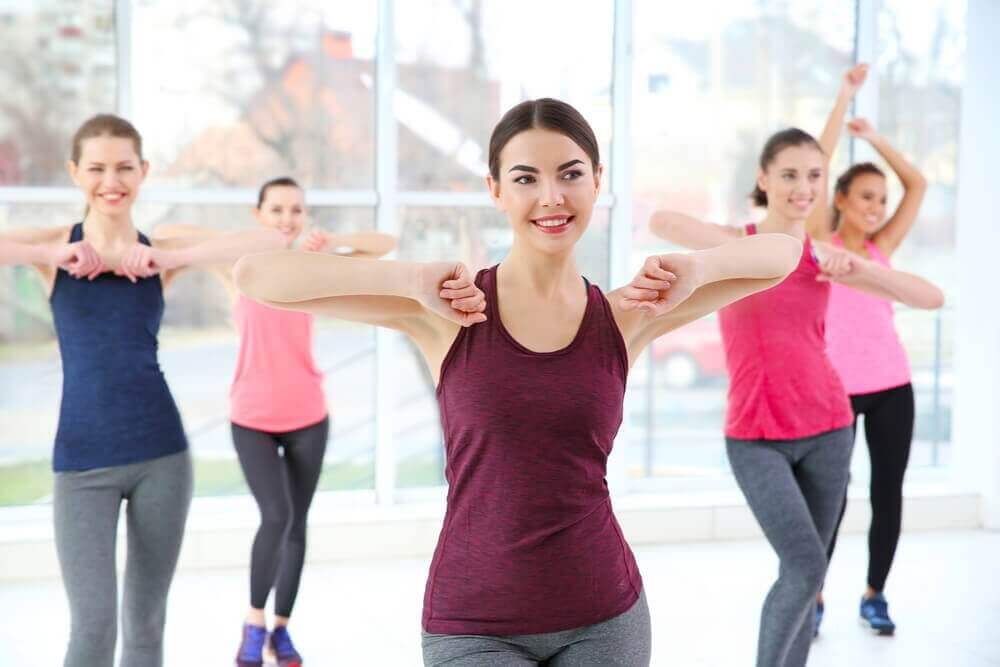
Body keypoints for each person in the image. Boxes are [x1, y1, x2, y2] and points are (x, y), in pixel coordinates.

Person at [234, 97, 803, 666]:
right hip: (472, 624)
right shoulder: (449, 311)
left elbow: (784, 253)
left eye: (571, 174)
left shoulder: (627, 314)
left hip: (605, 615)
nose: (551, 197)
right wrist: (408, 279)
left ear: (597, 181)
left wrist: (701, 267)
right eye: (526, 178)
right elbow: (257, 275)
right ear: (496, 189)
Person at [649, 116, 941, 665]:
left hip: (830, 429)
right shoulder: (739, 245)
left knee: (806, 576)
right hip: (756, 438)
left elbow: (930, 298)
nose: (802, 187)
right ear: (763, 178)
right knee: (806, 565)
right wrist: (729, 253)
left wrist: (854, 265)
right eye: (788, 174)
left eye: (813, 175)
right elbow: (663, 219)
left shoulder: (823, 259)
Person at [0, 114, 285, 667]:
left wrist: (173, 259)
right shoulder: (55, 247)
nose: (113, 180)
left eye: (125, 167)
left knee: (145, 624)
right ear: (75, 173)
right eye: (98, 168)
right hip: (81, 464)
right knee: (92, 626)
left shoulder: (162, 247)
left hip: (162, 457)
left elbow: (272, 238)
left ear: (144, 171)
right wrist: (52, 256)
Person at [155, 177, 396, 667]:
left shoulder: (314, 266)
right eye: (277, 210)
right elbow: (172, 235)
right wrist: (251, 241)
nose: (288, 218)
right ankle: (253, 620)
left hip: (308, 415)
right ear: (258, 213)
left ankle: (281, 631)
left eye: (296, 210)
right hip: (252, 418)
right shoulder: (238, 269)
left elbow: (384, 245)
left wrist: (331, 244)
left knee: (296, 524)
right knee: (277, 516)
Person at [807, 65, 942, 636]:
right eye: (865, 196)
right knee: (830, 499)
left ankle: (874, 595)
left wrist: (878, 140)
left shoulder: (882, 246)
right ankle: (811, 596)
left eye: (880, 198)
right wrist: (842, 100)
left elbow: (919, 186)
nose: (877, 206)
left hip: (892, 386)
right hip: (834, 388)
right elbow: (816, 160)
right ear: (838, 197)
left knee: (888, 493)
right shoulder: (819, 241)